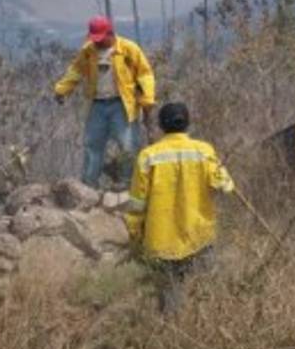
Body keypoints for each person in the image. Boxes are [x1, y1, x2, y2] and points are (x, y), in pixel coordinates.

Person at [124, 102, 234, 314]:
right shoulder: (204, 151)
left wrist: (135, 236)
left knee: (170, 306)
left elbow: (137, 205)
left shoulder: (148, 156)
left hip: (161, 242)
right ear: (187, 123)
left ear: (160, 126)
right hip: (199, 238)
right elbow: (226, 186)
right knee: (205, 299)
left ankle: (172, 341)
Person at [54, 16, 156, 188]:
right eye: (95, 39)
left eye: (100, 39)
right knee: (92, 144)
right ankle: (88, 184)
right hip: (97, 104)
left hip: (122, 104)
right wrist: (62, 89)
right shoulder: (88, 51)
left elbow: (145, 74)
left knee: (128, 145)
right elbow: (75, 71)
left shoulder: (128, 49)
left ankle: (126, 183)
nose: (98, 43)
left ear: (110, 33)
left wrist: (147, 99)